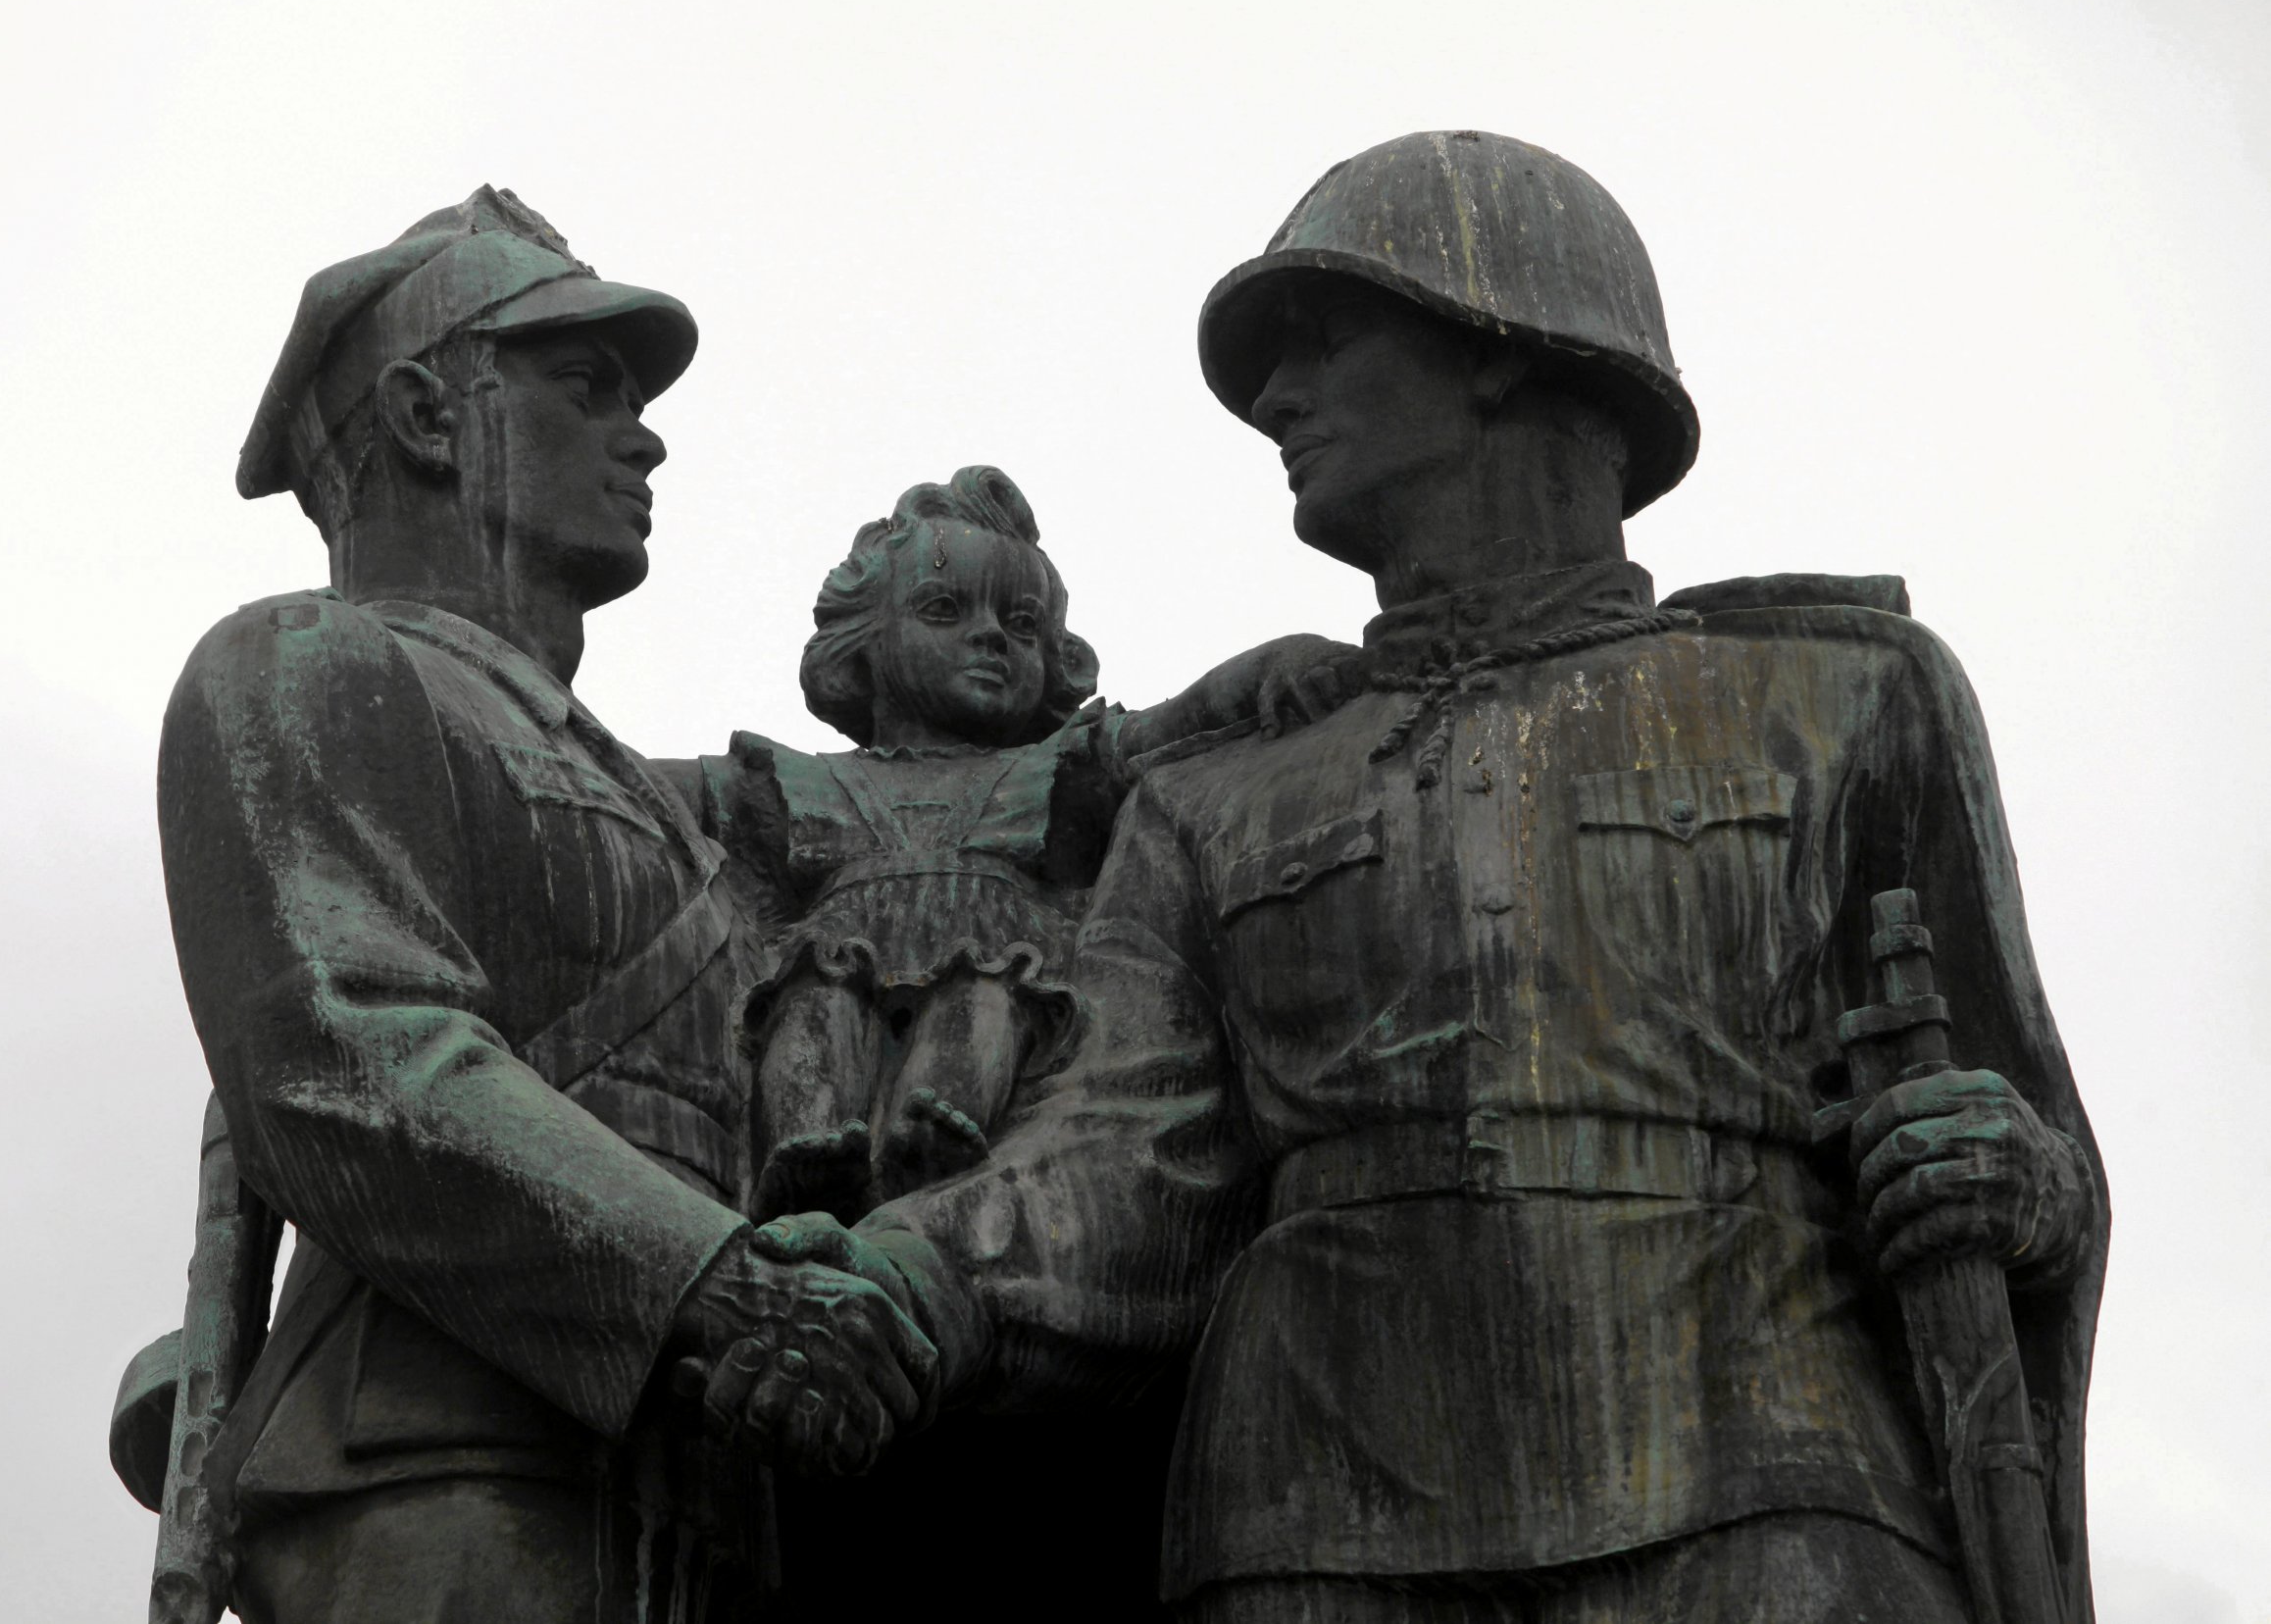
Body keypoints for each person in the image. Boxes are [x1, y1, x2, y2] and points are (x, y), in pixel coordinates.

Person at [709, 132, 2109, 1622]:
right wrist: (912, 1274)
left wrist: (2025, 1182)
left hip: (1766, 1498)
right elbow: (1121, 1158)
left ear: (1500, 343)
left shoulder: (1840, 696)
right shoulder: (1215, 794)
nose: (1274, 403)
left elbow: (2022, 1119)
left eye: (1319, 340)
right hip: (1317, 1523)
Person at [156, 186, 934, 1624]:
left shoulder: (654, 797)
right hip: (440, 1476)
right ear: (424, 416)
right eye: (584, 387)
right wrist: (708, 1282)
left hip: (705, 1491)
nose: (642, 434)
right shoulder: (307, 666)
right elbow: (349, 1054)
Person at [682, 463, 1346, 1226]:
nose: (991, 635)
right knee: (810, 998)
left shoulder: (1055, 764)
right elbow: (635, 781)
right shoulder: (800, 779)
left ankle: (935, 1143)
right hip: (838, 953)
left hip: (996, 951)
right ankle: (805, 1156)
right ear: (863, 642)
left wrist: (1272, 664)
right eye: (944, 608)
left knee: (988, 993)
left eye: (1022, 623)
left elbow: (1176, 724)